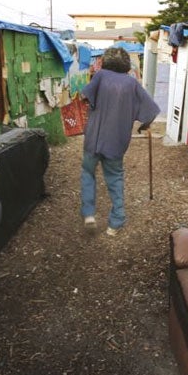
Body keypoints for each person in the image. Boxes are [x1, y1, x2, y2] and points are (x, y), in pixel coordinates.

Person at [79, 47, 160, 236]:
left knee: (88, 172)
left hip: (94, 139)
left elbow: (84, 96)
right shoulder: (132, 84)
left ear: (106, 62)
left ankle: (89, 213)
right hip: (116, 141)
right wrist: (144, 125)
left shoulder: (100, 76)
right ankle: (115, 223)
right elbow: (152, 110)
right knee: (115, 178)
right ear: (126, 65)